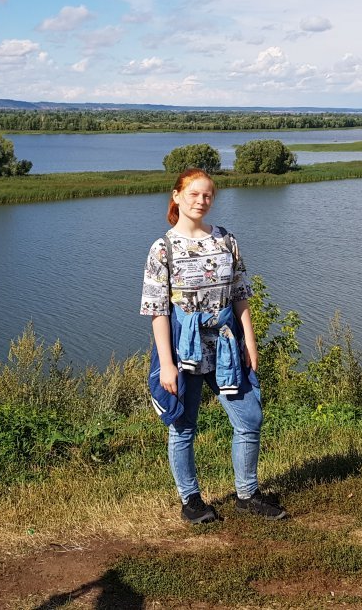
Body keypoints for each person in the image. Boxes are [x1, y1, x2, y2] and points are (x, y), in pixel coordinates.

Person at [141, 167, 286, 524]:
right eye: (193, 194)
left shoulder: (226, 240)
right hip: (183, 348)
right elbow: (157, 310)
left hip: (225, 343)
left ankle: (247, 494)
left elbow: (240, 294)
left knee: (249, 417)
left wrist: (249, 341)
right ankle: (191, 501)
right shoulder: (163, 249)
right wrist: (167, 363)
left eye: (207, 195)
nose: (201, 201)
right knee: (183, 426)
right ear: (176, 196)